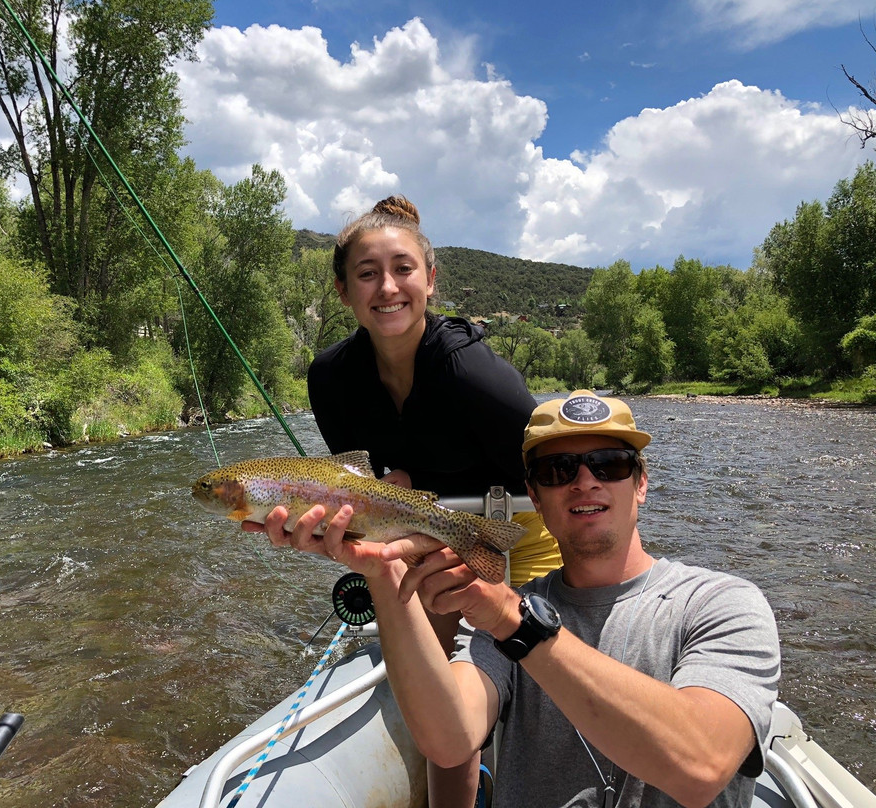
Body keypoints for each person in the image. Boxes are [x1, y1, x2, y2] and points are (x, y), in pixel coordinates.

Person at [270, 390, 781, 808]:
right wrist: (384, 572)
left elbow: (700, 766)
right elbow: (448, 739)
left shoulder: (723, 605)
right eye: (558, 470)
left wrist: (516, 623)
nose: (585, 481)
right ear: (534, 497)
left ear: (641, 483)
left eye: (609, 464)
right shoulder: (502, 614)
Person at [252, 195, 561, 806]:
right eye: (367, 273)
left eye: (403, 269)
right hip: (426, 528)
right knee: (437, 691)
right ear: (343, 291)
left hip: (524, 527)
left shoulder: (473, 374)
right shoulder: (331, 378)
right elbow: (364, 481)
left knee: (541, 681)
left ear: (430, 280)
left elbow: (553, 473)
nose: (387, 287)